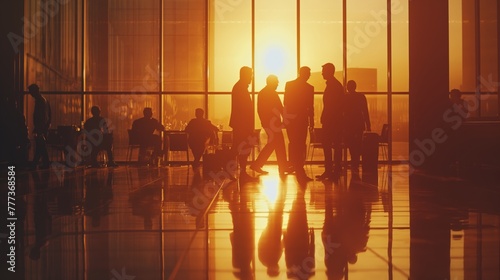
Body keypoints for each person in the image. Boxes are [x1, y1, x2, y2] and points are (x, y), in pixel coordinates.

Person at [251, 74, 289, 176]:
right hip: (273, 124)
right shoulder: (271, 93)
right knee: (277, 143)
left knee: (274, 144)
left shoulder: (263, 93)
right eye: (276, 82)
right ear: (272, 82)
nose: (278, 84)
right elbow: (280, 108)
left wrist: (264, 122)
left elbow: (260, 110)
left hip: (270, 123)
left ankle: (259, 164)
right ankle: (282, 166)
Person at [284, 66, 314, 183]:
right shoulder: (309, 88)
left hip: (292, 120)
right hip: (302, 120)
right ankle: (299, 169)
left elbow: (286, 102)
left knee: (294, 144)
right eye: (308, 73)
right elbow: (310, 107)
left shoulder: (290, 85)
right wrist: (311, 121)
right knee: (300, 144)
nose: (309, 75)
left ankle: (296, 167)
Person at [229, 66, 258, 182]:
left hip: (240, 125)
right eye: (250, 75)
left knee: (238, 148)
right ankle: (240, 173)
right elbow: (243, 110)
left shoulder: (239, 87)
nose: (251, 77)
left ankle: (239, 172)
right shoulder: (240, 88)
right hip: (242, 125)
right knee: (240, 148)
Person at [317, 63, 345, 180]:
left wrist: (326, 117)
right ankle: (333, 170)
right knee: (333, 146)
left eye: (323, 71)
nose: (322, 73)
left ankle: (332, 171)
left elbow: (331, 105)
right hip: (333, 121)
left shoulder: (333, 85)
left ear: (329, 71)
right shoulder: (335, 85)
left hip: (332, 121)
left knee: (329, 146)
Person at [344, 80, 371, 174]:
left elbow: (342, 112)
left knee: (351, 144)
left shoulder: (345, 97)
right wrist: (368, 124)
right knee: (357, 144)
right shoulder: (361, 96)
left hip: (348, 125)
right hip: (358, 124)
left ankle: (354, 162)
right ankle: (355, 162)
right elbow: (365, 111)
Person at [29, 84, 51, 169]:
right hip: (43, 127)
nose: (31, 94)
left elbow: (40, 116)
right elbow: (48, 115)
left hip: (40, 127)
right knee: (40, 145)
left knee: (40, 145)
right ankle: (42, 163)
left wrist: (39, 128)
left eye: (31, 92)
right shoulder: (44, 100)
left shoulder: (40, 101)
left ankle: (40, 163)